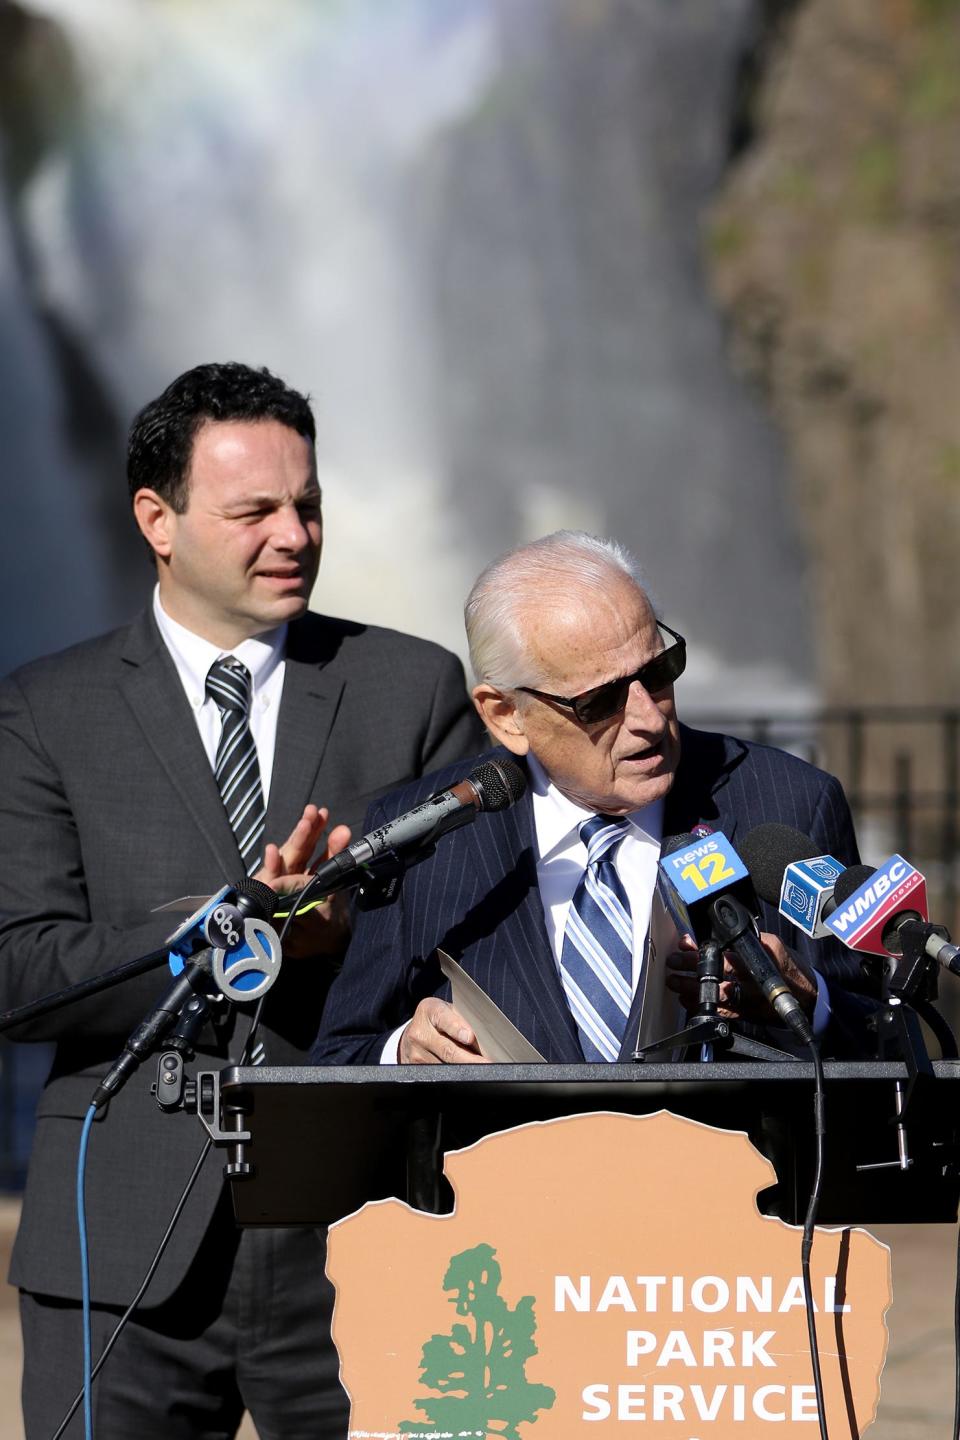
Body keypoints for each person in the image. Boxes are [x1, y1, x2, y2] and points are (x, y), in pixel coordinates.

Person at [0, 361, 484, 1438]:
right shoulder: (45, 711)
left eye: (307, 504)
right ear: (156, 520)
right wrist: (210, 938)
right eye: (254, 510)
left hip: (363, 1226)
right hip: (121, 1249)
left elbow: (485, 936)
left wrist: (349, 938)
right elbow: (19, 973)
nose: (295, 535)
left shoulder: (412, 687)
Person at [315, 530, 869, 1068]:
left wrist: (806, 1000)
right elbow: (340, 1058)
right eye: (600, 702)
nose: (649, 720)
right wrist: (402, 1051)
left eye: (657, 673)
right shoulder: (422, 839)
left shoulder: (790, 802)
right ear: (506, 716)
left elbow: (885, 1043)